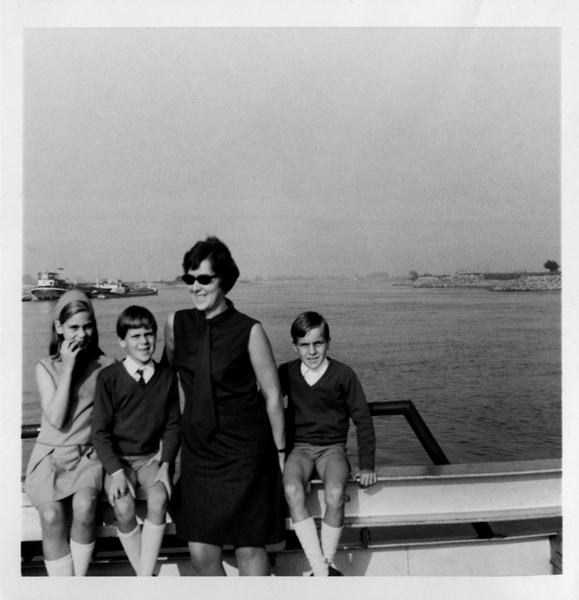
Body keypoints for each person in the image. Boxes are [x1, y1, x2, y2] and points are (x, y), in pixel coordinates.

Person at [163, 236, 285, 576]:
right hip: (199, 454)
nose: (195, 287)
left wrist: (280, 452)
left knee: (249, 548)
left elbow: (273, 396)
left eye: (204, 279)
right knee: (201, 553)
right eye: (189, 278)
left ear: (224, 281)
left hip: (246, 453)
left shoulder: (250, 330)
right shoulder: (175, 325)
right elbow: (164, 383)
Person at [24, 290, 116, 576]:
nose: (81, 334)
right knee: (51, 515)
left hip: (87, 455)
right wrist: (68, 368)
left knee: (86, 507)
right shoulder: (45, 367)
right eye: (73, 327)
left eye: (87, 326)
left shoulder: (107, 366)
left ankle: (76, 586)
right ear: (59, 327)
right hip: (49, 456)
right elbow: (56, 418)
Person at [279, 311, 377, 576]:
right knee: (291, 489)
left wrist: (367, 465)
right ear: (295, 346)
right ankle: (321, 569)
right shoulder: (286, 372)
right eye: (304, 345)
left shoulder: (343, 374)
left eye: (318, 343)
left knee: (335, 492)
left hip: (332, 449)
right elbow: (266, 405)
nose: (312, 351)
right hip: (298, 449)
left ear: (328, 343)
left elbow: (363, 420)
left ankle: (325, 564)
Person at [91, 305, 181, 576]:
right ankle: (146, 576)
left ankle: (143, 577)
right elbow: (100, 432)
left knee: (160, 497)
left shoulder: (167, 378)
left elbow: (173, 426)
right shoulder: (108, 378)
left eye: (149, 334)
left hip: (150, 459)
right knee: (123, 505)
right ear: (122, 341)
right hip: (118, 462)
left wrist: (166, 464)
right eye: (136, 336)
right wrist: (115, 472)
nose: (144, 342)